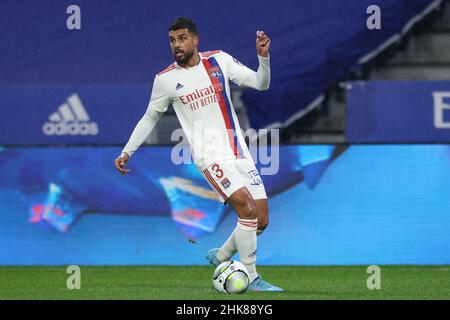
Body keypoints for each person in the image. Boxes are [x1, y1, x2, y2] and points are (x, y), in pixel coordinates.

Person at [114, 17, 282, 292]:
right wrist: (127, 151)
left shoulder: (219, 61)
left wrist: (263, 58)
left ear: (195, 39)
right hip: (209, 156)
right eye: (172, 40)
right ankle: (251, 278)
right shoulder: (166, 80)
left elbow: (261, 83)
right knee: (247, 210)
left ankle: (222, 255)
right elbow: (148, 118)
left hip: (238, 151)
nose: (176, 45)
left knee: (260, 220)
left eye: (181, 38)